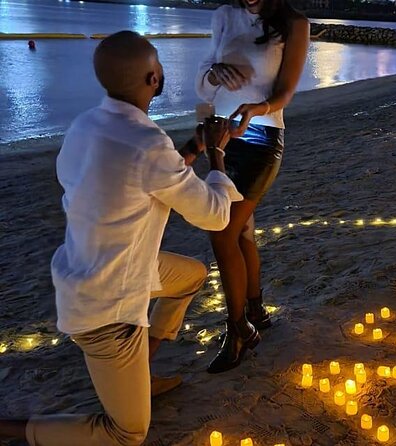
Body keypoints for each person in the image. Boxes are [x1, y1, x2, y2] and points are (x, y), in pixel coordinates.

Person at [0, 31, 242, 446]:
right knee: (128, 433)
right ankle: (9, 430)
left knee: (192, 276)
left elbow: (143, 179)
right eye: (159, 66)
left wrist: (193, 146)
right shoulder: (148, 144)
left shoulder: (84, 126)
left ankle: (141, 368)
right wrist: (218, 154)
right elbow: (216, 216)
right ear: (153, 78)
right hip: (108, 306)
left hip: (91, 265)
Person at [195, 0, 310, 374]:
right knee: (242, 232)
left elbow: (286, 92)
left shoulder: (294, 24)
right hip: (224, 136)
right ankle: (256, 310)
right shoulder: (223, 17)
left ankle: (238, 329)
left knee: (221, 233)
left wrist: (255, 108)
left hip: (262, 139)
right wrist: (214, 73)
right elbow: (203, 87)